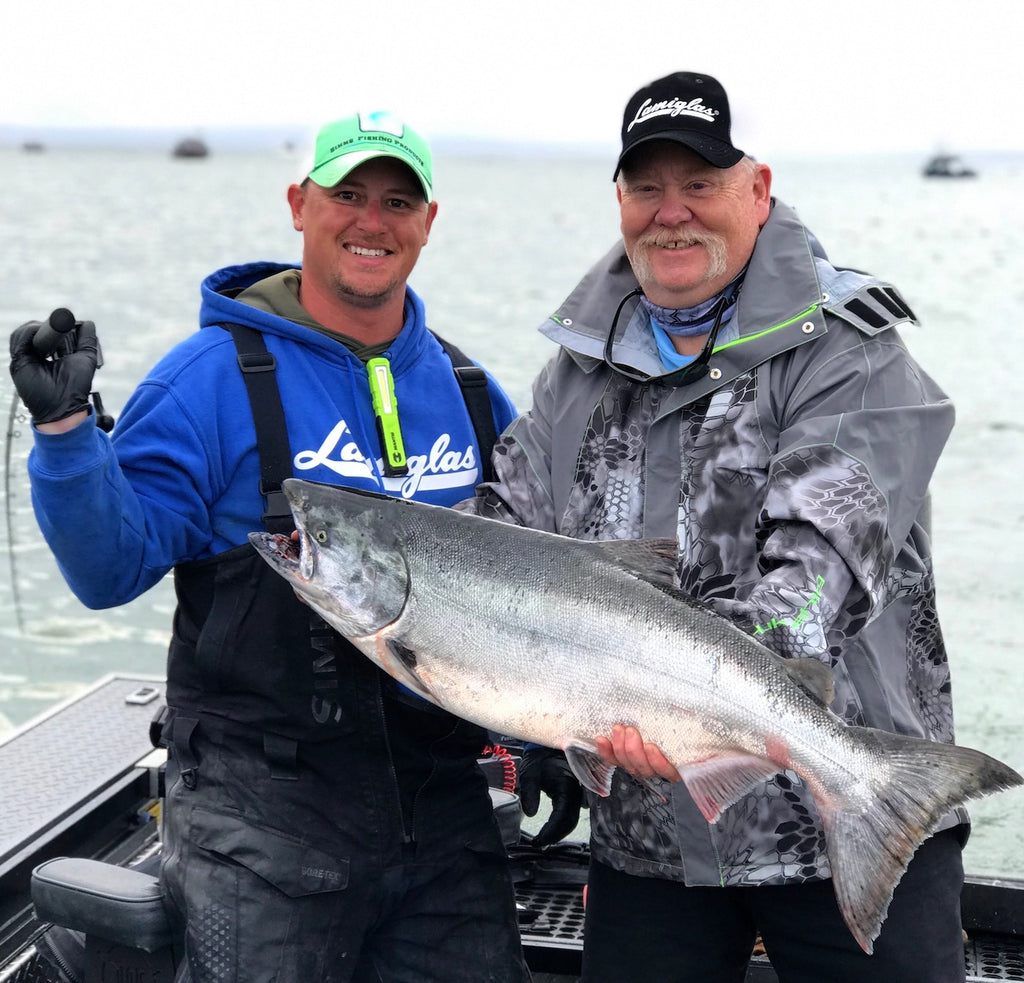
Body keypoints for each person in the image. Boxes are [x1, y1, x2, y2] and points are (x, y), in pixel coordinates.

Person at [460, 72, 967, 982]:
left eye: (700, 183)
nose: (672, 213)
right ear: (620, 200)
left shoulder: (850, 349)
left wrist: (656, 691)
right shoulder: (575, 372)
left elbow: (816, 580)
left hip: (841, 816)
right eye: (647, 187)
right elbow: (506, 531)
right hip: (652, 841)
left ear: (758, 189)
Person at [9, 111, 531, 983]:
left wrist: (550, 732)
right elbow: (108, 571)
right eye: (348, 195)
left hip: (443, 814)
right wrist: (66, 434)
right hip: (260, 822)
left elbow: (538, 602)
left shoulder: (472, 392)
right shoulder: (203, 380)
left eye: (397, 200)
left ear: (428, 223)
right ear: (299, 204)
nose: (373, 220)